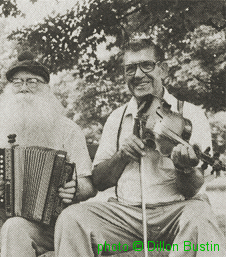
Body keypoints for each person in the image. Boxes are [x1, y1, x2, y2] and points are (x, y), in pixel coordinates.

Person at [54, 39, 226, 257]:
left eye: (146, 65)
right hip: (125, 216)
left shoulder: (190, 114)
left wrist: (185, 168)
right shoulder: (117, 118)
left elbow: (191, 190)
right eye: (130, 69)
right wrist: (122, 155)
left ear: (162, 69)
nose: (137, 75)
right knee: (73, 218)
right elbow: (98, 180)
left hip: (175, 212)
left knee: (200, 214)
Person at [0, 51, 97, 257]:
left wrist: (75, 189)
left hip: (49, 222)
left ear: (46, 88)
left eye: (32, 82)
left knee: (15, 228)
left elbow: (88, 184)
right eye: (17, 82)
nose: (23, 88)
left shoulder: (68, 130)